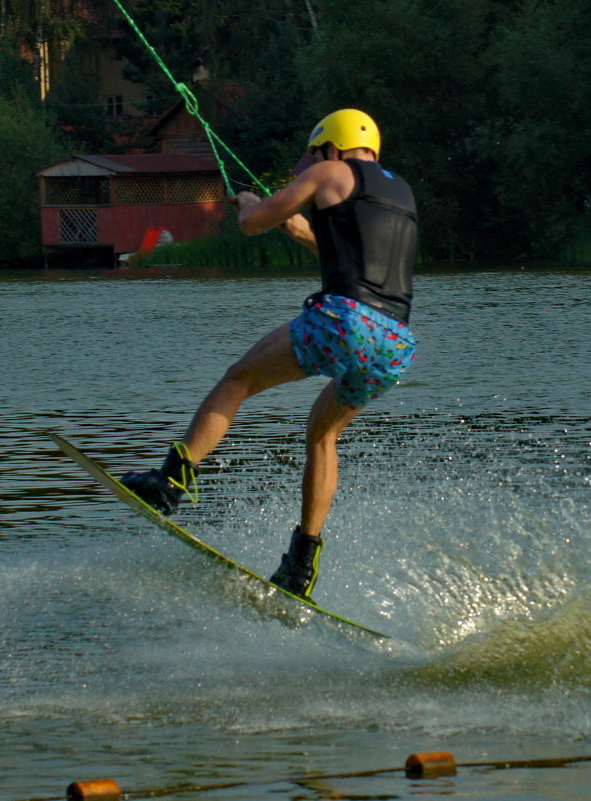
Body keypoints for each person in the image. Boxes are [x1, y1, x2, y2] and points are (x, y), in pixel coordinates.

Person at [121, 109, 418, 600]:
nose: (314, 163)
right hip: (396, 343)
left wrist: (250, 205)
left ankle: (170, 482)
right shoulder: (399, 191)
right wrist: (291, 224)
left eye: (316, 153)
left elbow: (254, 224)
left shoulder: (329, 171)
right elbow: (320, 241)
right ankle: (301, 565)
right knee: (322, 437)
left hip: (345, 321)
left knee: (237, 381)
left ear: (332, 147)